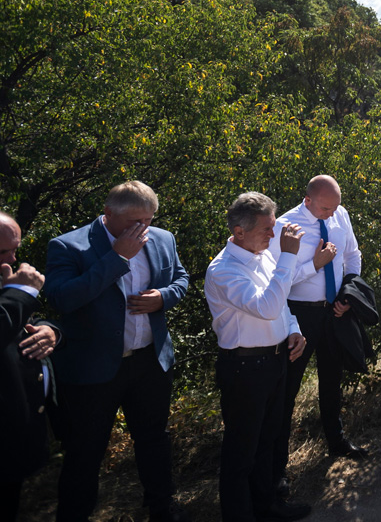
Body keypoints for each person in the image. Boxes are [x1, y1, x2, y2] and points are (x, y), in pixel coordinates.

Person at [44, 182, 190, 522]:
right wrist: (117, 257)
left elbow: (181, 279)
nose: (142, 230)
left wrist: (163, 297)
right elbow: (62, 298)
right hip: (93, 369)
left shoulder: (163, 238)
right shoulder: (69, 246)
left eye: (148, 221)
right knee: (85, 452)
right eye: (133, 222)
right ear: (109, 213)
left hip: (149, 361)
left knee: (154, 439)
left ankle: (162, 508)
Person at [205, 192, 311, 522]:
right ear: (239, 231)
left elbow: (280, 303)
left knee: (267, 441)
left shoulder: (263, 254)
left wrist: (292, 328)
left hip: (275, 361)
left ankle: (267, 507)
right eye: (267, 228)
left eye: (274, 226)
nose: (273, 234)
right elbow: (265, 307)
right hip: (244, 368)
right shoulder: (223, 270)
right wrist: (290, 257)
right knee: (241, 452)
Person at [271, 175, 367, 494]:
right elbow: (280, 280)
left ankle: (336, 442)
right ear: (308, 200)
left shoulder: (340, 214)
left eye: (335, 207)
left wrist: (348, 294)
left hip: (334, 308)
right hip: (300, 314)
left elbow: (352, 255)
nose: (331, 214)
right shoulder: (285, 226)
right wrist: (315, 264)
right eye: (326, 208)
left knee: (332, 378)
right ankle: (276, 469)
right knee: (288, 389)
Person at [1, 213, 60, 522]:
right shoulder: (16, 287)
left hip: (12, 440)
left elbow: (20, 323)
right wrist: (23, 293)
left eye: (15, 248)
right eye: (2, 252)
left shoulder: (4, 277)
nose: (12, 258)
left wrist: (50, 330)